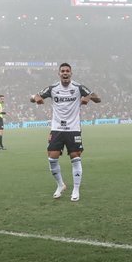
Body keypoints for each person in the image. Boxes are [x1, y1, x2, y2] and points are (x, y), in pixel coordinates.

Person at [30, 63, 100, 202]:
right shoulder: (53, 88)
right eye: (62, 71)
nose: (65, 73)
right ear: (59, 74)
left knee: (75, 157)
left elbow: (98, 98)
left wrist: (89, 97)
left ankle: (76, 189)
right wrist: (35, 98)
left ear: (71, 73)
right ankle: (60, 185)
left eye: (67, 71)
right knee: (52, 158)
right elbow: (35, 96)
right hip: (57, 129)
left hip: (73, 128)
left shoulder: (79, 87)